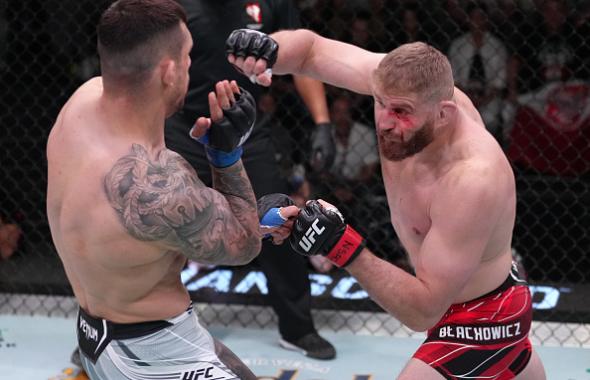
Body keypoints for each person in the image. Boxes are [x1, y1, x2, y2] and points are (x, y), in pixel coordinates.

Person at [225, 29, 547, 379]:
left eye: (402, 112)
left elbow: (424, 311)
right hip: (465, 299)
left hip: (483, 318)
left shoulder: (471, 177)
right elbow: (311, 52)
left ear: (444, 113)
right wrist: (268, 49)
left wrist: (339, 245)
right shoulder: (398, 84)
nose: (386, 122)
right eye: (380, 104)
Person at [46, 1, 296, 378]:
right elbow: (244, 245)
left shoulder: (80, 104)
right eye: (188, 55)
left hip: (97, 327)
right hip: (150, 353)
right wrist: (225, 156)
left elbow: (147, 230)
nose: (192, 64)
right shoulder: (160, 186)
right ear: (168, 71)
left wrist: (247, 214)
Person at [164, 0, 337, 360]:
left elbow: (302, 57)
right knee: (158, 225)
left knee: (276, 216)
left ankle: (298, 327)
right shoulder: (175, 4)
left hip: (245, 129)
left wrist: (322, 121)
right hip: (181, 126)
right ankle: (124, 323)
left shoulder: (274, 3)